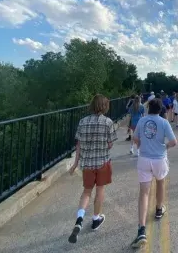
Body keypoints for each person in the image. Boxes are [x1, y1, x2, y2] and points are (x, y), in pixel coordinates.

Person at [68, 94, 117, 244]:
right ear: (104, 106)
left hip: (87, 164)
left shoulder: (82, 122)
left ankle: (80, 218)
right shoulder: (108, 122)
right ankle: (96, 218)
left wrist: (75, 164)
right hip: (102, 162)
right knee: (100, 190)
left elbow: (79, 145)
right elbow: (110, 144)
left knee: (86, 192)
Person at [130, 99, 178, 248]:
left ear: (149, 107)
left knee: (144, 193)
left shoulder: (142, 120)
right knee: (160, 183)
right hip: (159, 159)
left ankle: (141, 229)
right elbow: (174, 141)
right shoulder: (164, 122)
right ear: (161, 109)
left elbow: (135, 138)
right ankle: (158, 209)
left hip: (144, 158)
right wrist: (165, 147)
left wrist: (141, 145)